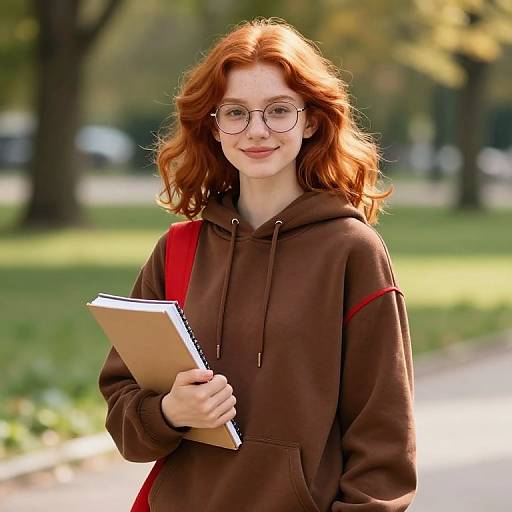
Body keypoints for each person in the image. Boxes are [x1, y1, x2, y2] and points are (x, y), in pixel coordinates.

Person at [99, 17, 417, 512]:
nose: (257, 131)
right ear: (214, 123)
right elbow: (125, 409)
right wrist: (168, 411)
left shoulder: (352, 251)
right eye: (236, 113)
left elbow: (384, 439)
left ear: (310, 120)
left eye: (278, 110)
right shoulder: (179, 249)